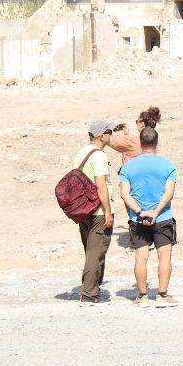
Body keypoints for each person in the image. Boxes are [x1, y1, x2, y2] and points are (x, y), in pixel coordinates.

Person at [118, 127, 179, 307]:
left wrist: (139, 212)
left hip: (138, 219)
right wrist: (155, 212)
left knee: (141, 256)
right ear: (157, 143)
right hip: (163, 217)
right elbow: (169, 193)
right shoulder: (168, 165)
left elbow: (124, 194)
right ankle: (162, 295)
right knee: (164, 256)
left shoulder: (128, 167)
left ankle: (142, 296)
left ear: (141, 142)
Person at [75, 120, 118, 303]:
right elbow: (101, 185)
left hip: (84, 209)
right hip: (98, 211)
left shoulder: (82, 152)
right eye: (109, 132)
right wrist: (108, 211)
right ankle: (89, 293)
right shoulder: (98, 156)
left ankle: (90, 288)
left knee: (91, 250)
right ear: (102, 135)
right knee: (96, 252)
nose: (111, 135)